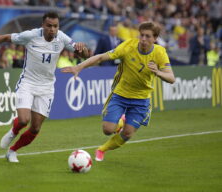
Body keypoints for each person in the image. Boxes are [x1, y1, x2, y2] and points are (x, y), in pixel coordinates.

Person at [0, 12, 88, 163]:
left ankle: (12, 151)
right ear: (43, 26)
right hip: (28, 82)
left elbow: (83, 55)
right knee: (23, 120)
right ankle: (13, 131)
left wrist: (82, 49)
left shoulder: (62, 38)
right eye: (49, 26)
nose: (52, 29)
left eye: (55, 26)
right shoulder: (31, 35)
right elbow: (5, 38)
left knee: (35, 128)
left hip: (47, 87)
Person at [61, 21, 175, 161]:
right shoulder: (128, 46)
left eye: (148, 36)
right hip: (120, 94)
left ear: (155, 38)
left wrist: (158, 72)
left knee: (127, 133)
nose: (143, 39)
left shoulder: (159, 52)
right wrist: (79, 67)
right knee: (107, 130)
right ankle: (120, 121)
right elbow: (101, 57)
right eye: (142, 35)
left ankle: (102, 150)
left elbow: (171, 78)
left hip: (141, 99)